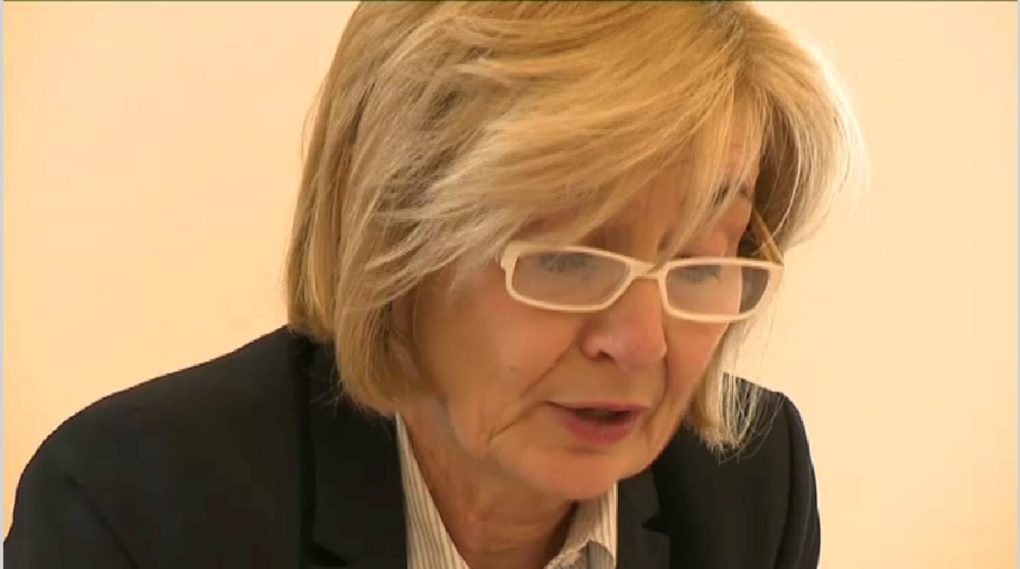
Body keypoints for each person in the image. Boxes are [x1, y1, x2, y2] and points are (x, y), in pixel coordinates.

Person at [5, 2, 863, 568]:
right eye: (569, 258)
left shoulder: (749, 489)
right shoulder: (136, 509)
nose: (641, 342)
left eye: (700, 262)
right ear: (394, 241)